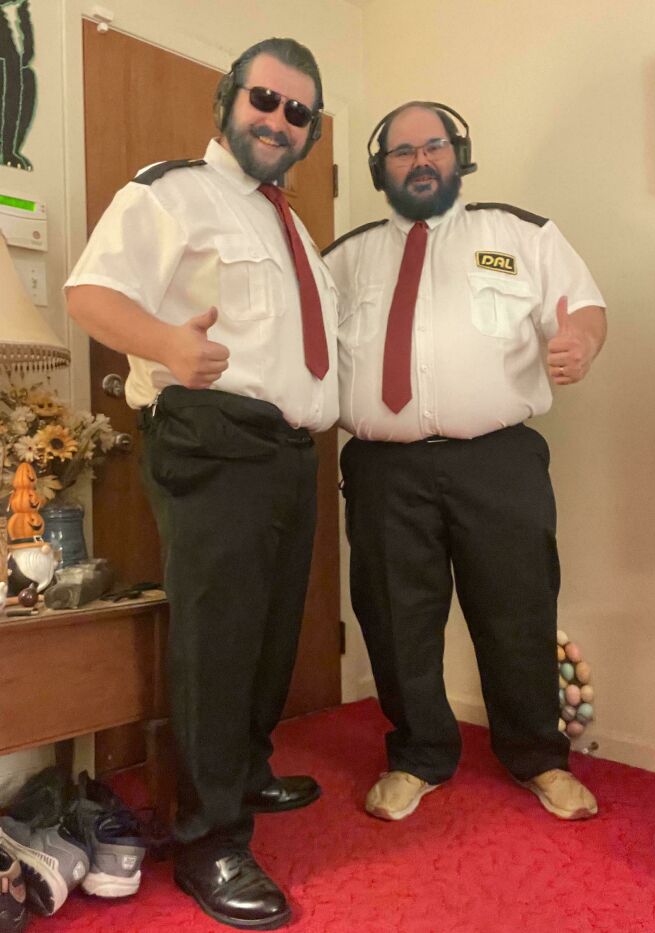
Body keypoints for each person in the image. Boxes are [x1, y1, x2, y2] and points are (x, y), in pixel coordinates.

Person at [66, 37, 338, 930]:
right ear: (228, 99)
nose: (279, 120)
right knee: (217, 643)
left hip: (288, 450)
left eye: (298, 112)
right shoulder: (172, 191)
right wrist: (167, 346)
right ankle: (208, 838)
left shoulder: (291, 224)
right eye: (265, 99)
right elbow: (89, 293)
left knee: (270, 634)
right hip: (212, 436)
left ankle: (245, 771)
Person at [323, 101, 606, 825]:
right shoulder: (342, 259)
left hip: (498, 459)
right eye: (403, 151)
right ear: (380, 169)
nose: (421, 160)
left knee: (518, 609)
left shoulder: (520, 234)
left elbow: (584, 306)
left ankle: (538, 755)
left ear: (459, 155)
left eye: (435, 146)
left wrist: (580, 340)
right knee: (394, 617)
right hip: (384, 467)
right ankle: (418, 755)